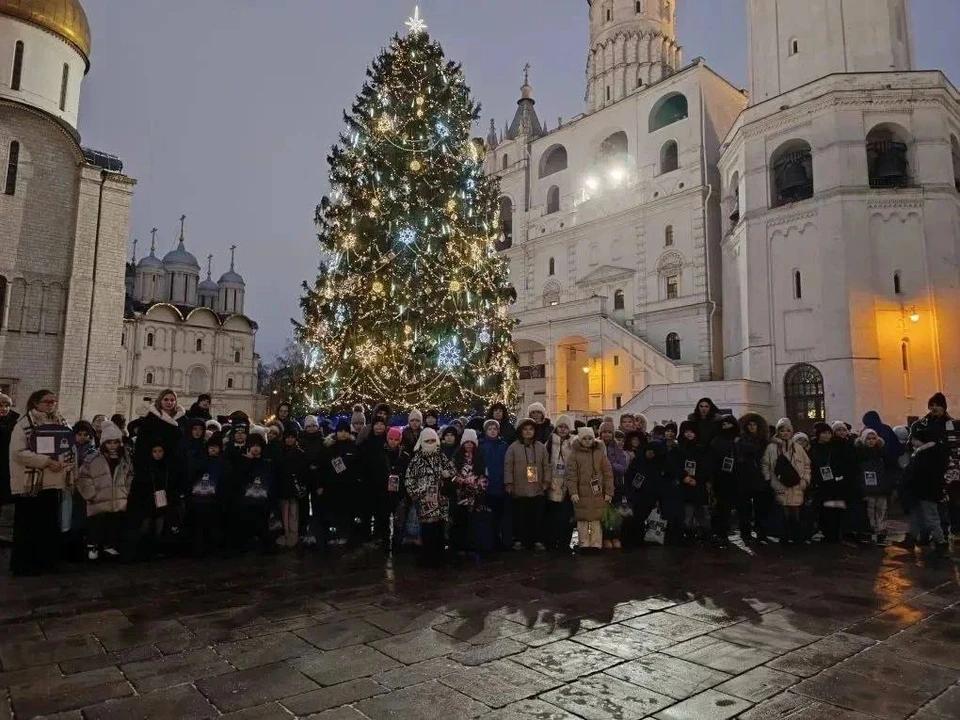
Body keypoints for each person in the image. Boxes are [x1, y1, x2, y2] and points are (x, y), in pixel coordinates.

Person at [8, 390, 74, 575]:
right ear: (36, 403)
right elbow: (18, 453)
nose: (51, 404)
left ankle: (45, 562)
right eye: (47, 401)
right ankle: (25, 565)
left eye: (54, 401)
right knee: (28, 525)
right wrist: (46, 462)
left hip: (53, 481)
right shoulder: (24, 424)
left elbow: (68, 444)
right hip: (31, 483)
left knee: (47, 525)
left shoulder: (60, 421)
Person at [76, 422, 132, 560]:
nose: (113, 446)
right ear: (103, 443)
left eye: (115, 442)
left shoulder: (125, 459)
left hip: (118, 498)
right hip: (98, 498)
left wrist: (126, 490)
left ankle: (109, 546)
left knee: (113, 523)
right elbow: (83, 476)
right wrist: (90, 493)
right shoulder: (93, 458)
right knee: (96, 524)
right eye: (109, 443)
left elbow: (130, 475)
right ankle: (93, 546)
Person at [405, 428, 455, 566]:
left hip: (440, 500)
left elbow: (452, 470)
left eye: (433, 440)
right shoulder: (416, 459)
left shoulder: (441, 456)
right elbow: (409, 479)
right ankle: (427, 557)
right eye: (427, 441)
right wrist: (417, 494)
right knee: (427, 530)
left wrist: (447, 474)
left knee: (439, 529)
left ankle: (439, 557)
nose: (431, 443)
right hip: (425, 501)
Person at [762, 418, 811, 545]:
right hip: (779, 485)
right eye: (782, 430)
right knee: (783, 513)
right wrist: (769, 479)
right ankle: (784, 536)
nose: (785, 433)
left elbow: (806, 464)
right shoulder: (771, 448)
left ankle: (796, 536)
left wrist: (805, 479)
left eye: (788, 430)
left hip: (796, 486)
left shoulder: (798, 447)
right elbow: (765, 464)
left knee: (795, 513)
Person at [903, 422, 949, 557]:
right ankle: (913, 537)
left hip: (925, 491)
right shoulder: (928, 452)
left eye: (914, 439)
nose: (912, 442)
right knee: (919, 516)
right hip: (925, 490)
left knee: (930, 517)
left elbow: (919, 473)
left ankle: (940, 542)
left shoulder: (925, 454)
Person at [505, 418, 550, 550]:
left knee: (537, 516)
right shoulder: (513, 447)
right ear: (520, 431)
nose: (528, 432)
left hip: (537, 487)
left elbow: (546, 465)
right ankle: (520, 540)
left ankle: (538, 540)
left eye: (531, 429)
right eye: (525, 429)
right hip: (520, 487)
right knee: (521, 516)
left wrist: (546, 481)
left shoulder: (541, 447)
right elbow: (508, 466)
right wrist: (509, 483)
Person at [566, 426, 614, 552]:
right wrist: (573, 492)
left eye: (590, 438)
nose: (587, 441)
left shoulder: (600, 454)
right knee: (582, 521)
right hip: (581, 494)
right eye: (584, 438)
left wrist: (609, 492)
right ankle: (584, 543)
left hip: (597, 494)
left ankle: (596, 544)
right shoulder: (574, 455)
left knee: (596, 521)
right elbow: (571, 475)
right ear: (580, 440)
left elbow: (608, 474)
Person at [186, 435, 228, 557]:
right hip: (199, 500)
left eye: (215, 447)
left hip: (214, 500)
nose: (213, 450)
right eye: (211, 447)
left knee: (213, 526)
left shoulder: (223, 464)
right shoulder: (200, 461)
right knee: (199, 527)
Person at [734, 413, 771, 544]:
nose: (752, 427)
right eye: (749, 425)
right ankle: (746, 533)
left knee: (761, 507)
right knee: (744, 508)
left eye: (754, 424)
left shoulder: (764, 442)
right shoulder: (740, 441)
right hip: (744, 477)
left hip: (759, 477)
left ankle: (761, 532)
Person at [450, 429, 487, 556]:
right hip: (460, 495)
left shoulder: (479, 458)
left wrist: (478, 485)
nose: (469, 445)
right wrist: (461, 481)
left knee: (472, 522)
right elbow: (451, 474)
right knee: (460, 521)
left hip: (474, 496)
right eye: (467, 442)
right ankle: (459, 546)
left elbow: (483, 475)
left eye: (472, 442)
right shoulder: (457, 458)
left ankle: (471, 545)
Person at [674, 421, 711, 542]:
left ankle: (705, 533)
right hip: (685, 486)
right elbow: (675, 466)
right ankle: (688, 534)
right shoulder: (678, 449)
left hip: (699, 485)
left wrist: (698, 479)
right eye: (686, 431)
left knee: (702, 512)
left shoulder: (701, 449)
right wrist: (684, 477)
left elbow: (706, 467)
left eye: (691, 431)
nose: (689, 434)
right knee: (687, 512)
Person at [238, 434, 276, 553]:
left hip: (263, 500)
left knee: (263, 525)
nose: (255, 448)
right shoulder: (243, 460)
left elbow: (272, 480)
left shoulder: (267, 462)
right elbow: (240, 477)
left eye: (257, 446)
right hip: (247, 500)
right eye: (252, 446)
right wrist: (248, 461)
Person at [325, 421, 360, 545]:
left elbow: (357, 465)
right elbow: (325, 466)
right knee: (334, 512)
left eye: (346, 431)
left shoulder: (353, 446)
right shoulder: (330, 447)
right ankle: (333, 535)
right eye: (340, 431)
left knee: (347, 513)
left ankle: (346, 535)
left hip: (349, 487)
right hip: (333, 486)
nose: (343, 433)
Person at [856, 429, 892, 544]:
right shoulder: (859, 453)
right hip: (867, 487)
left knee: (882, 510)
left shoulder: (882, 452)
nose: (871, 441)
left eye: (873, 438)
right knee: (869, 511)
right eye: (868, 439)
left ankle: (881, 532)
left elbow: (888, 470)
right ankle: (869, 532)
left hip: (881, 486)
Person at [479, 419, 510, 551]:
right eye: (490, 429)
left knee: (499, 515)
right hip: (487, 485)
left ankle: (498, 540)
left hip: (500, 484)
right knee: (488, 516)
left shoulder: (503, 445)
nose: (492, 431)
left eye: (495, 429)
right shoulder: (481, 445)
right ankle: (488, 541)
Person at [546, 415, 575, 552]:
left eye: (566, 427)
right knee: (553, 516)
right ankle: (552, 542)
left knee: (566, 516)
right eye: (560, 426)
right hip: (552, 483)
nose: (563, 430)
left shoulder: (573, 444)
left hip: (567, 485)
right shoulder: (550, 442)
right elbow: (545, 463)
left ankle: (564, 543)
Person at [709, 414, 739, 545]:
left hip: (734, 477)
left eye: (728, 424)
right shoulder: (717, 441)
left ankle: (724, 529)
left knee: (728, 506)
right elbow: (713, 460)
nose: (726, 426)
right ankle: (720, 531)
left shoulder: (737, 440)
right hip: (721, 478)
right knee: (721, 505)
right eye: (724, 424)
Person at [599, 421, 628, 549]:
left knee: (615, 513)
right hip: (601, 485)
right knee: (604, 513)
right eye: (604, 432)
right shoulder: (596, 446)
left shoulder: (617, 448)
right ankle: (605, 537)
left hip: (616, 485)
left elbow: (622, 467)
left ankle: (615, 536)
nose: (607, 434)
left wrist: (609, 465)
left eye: (609, 432)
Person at [276, 428, 305, 549]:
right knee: (284, 513)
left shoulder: (300, 453)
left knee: (293, 514)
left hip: (294, 487)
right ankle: (285, 535)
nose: (289, 440)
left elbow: (303, 471)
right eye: (287, 437)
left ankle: (293, 537)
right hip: (283, 487)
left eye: (292, 437)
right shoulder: (280, 452)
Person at [300, 415, 326, 546]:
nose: (311, 428)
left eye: (313, 425)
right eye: (308, 426)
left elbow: (325, 462)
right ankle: (303, 533)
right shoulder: (300, 441)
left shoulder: (323, 442)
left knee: (317, 508)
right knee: (303, 508)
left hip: (318, 480)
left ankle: (316, 533)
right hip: (304, 479)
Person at [0, 393, 20, 545]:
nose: (4, 409)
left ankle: (5, 535)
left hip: (9, 466)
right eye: (0, 405)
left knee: (7, 505)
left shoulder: (16, 421)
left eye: (7, 405)